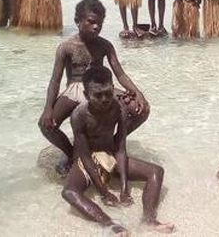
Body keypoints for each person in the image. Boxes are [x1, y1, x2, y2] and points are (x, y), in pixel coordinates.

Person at [39, 0, 151, 173]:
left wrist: (137, 93)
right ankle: (71, 153)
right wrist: (48, 108)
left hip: (102, 88)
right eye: (91, 22)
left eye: (100, 23)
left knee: (142, 110)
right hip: (75, 88)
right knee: (45, 125)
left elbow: (119, 73)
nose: (96, 27)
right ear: (77, 21)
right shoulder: (66, 47)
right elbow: (55, 80)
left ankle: (113, 144)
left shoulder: (105, 45)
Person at [62, 66, 174, 235]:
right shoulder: (79, 116)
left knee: (156, 171)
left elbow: (121, 148)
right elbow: (84, 156)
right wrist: (104, 192)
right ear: (86, 95)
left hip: (110, 155)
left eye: (108, 93)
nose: (105, 99)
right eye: (98, 95)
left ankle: (149, 219)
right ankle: (111, 224)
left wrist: (124, 188)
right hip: (88, 160)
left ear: (113, 89)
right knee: (69, 192)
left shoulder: (118, 108)